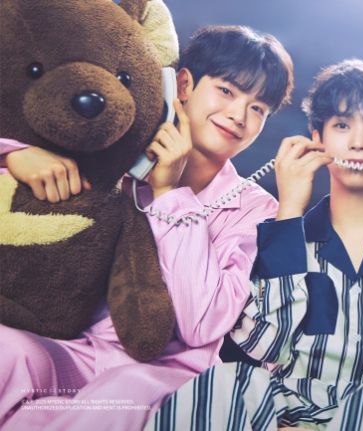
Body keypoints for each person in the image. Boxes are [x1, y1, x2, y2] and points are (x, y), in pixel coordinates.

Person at [145, 59, 363, 430]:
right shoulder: (281, 236)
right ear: (318, 139)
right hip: (286, 413)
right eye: (342, 125)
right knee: (221, 382)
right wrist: (289, 213)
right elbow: (265, 345)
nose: (359, 142)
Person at [0, 25, 294, 430]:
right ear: (183, 85)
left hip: (163, 373)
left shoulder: (256, 211)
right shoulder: (118, 150)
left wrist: (170, 193)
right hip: (79, 349)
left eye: (258, 108)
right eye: (227, 91)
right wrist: (15, 156)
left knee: (122, 394)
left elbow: (202, 323)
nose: (239, 116)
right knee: (7, 351)